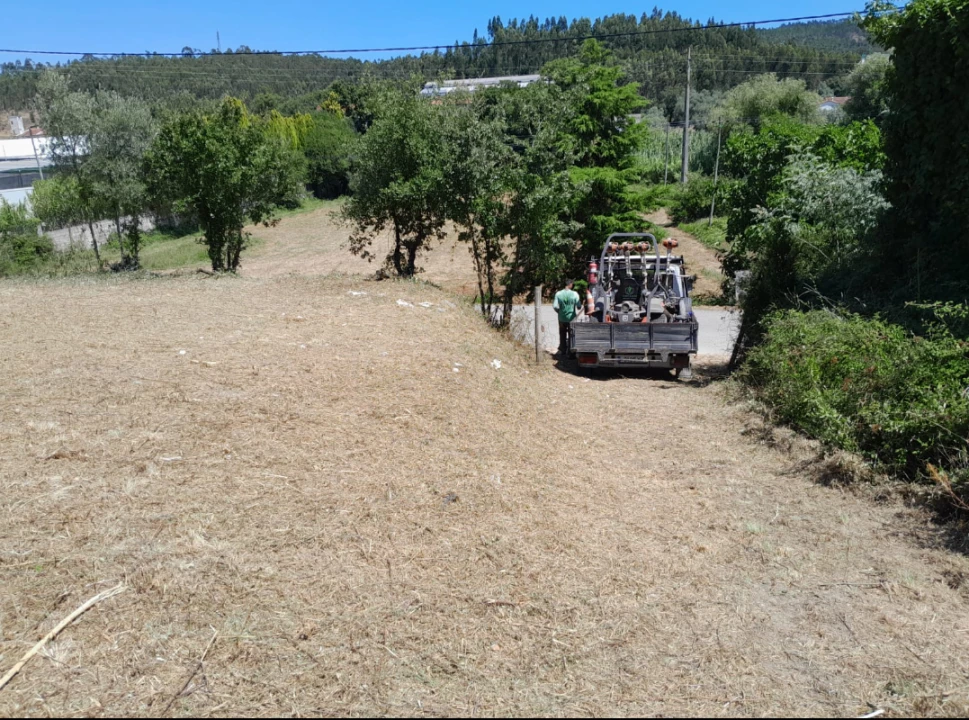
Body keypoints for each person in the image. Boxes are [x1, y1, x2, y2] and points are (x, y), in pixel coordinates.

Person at [552, 280, 581, 356]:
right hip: (571, 319)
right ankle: (571, 353)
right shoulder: (575, 294)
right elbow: (579, 306)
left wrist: (559, 311)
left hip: (561, 318)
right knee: (572, 335)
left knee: (562, 334)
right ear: (570, 285)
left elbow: (555, 306)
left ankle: (563, 350)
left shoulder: (558, 294)